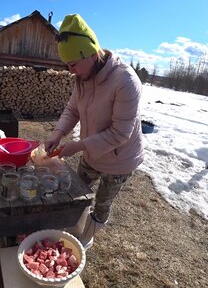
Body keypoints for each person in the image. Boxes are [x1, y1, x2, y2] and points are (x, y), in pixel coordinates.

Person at [44, 14, 144, 249]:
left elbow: (121, 133)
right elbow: (72, 110)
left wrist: (78, 146)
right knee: (78, 193)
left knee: (101, 203)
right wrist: (58, 133)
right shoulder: (83, 77)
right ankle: (73, 227)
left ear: (90, 53)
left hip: (120, 159)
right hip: (91, 152)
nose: (70, 71)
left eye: (73, 64)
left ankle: (86, 237)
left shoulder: (125, 81)